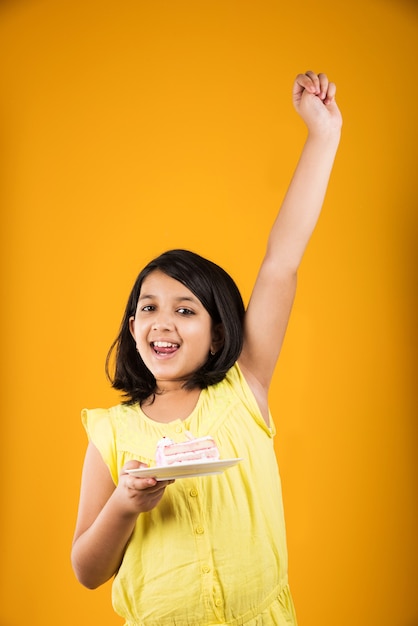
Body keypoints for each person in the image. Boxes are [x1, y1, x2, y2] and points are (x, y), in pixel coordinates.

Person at [71, 70, 342, 625]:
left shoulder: (246, 386)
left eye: (185, 309)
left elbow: (281, 261)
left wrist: (323, 136)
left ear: (219, 332)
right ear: (131, 325)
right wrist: (125, 505)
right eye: (148, 307)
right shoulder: (111, 433)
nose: (162, 321)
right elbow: (87, 570)